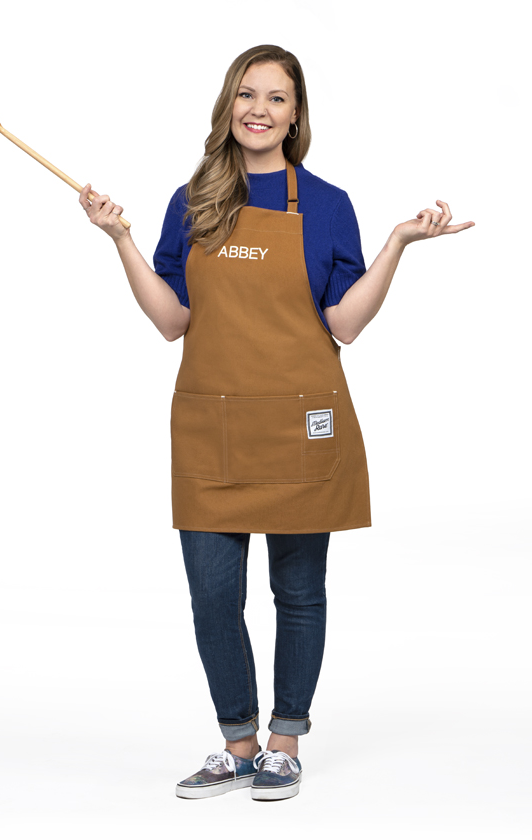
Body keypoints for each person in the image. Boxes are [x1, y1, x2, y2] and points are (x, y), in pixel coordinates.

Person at [78, 44, 474, 802]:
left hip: (301, 420)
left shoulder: (326, 203)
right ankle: (238, 743)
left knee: (298, 594)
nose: (259, 109)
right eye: (246, 94)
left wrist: (397, 245)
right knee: (212, 597)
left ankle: (285, 741)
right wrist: (120, 240)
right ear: (228, 106)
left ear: (296, 115)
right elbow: (171, 320)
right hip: (212, 424)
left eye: (276, 98)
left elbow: (345, 324)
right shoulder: (191, 199)